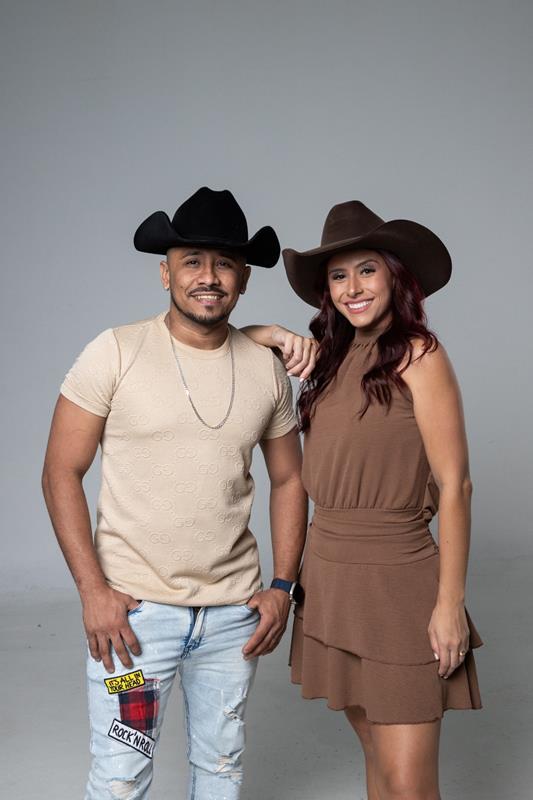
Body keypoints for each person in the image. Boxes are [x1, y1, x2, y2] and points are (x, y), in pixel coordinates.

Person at [41, 186, 308, 800]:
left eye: (224, 264)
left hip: (234, 618)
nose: (208, 277)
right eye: (192, 261)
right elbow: (59, 471)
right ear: (166, 274)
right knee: (120, 778)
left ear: (244, 278)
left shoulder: (266, 366)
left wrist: (283, 586)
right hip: (135, 619)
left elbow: (291, 479)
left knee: (221, 770)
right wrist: (93, 592)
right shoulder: (114, 352)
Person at [249, 200, 484, 800]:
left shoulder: (418, 354)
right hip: (328, 578)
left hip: (397, 582)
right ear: (326, 290)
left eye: (366, 270)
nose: (352, 288)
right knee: (378, 761)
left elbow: (455, 485)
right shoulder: (328, 359)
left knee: (408, 784)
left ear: (394, 275)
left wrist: (450, 604)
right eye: (338, 275)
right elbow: (224, 345)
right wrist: (274, 334)